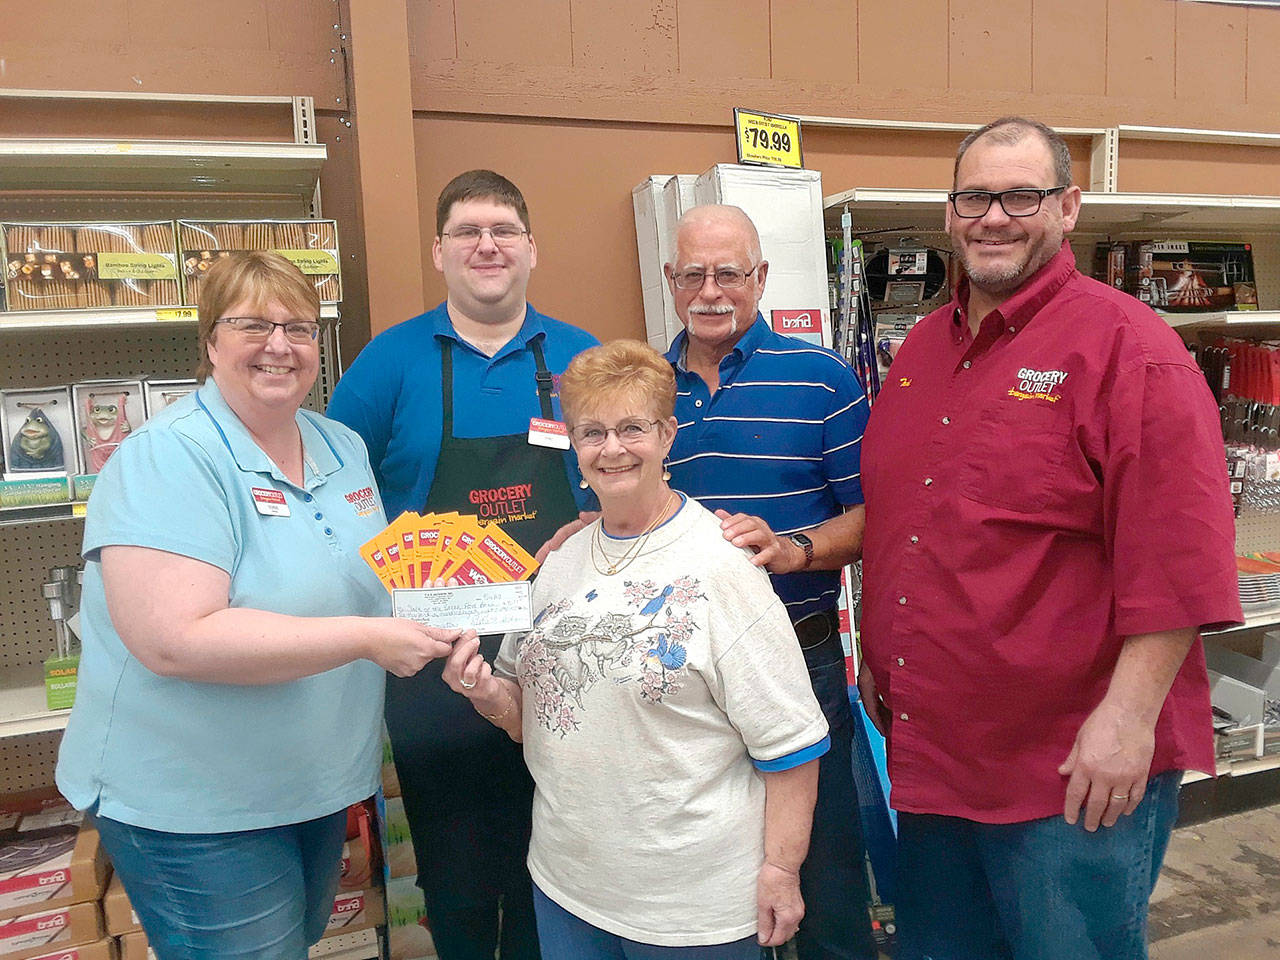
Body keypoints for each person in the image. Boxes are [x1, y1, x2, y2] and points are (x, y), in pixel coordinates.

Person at [856, 116, 1242, 960]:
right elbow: (909, 514)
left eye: (1021, 196)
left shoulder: (1131, 351)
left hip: (1069, 768)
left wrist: (1126, 721)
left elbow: (1181, 560)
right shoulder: (924, 348)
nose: (994, 217)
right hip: (936, 754)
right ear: (949, 213)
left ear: (1068, 207)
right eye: (974, 197)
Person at [55, 251, 459, 959]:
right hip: (196, 804)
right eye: (252, 325)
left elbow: (370, 572)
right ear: (211, 341)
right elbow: (176, 639)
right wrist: (367, 639)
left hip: (311, 785)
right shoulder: (168, 458)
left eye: (299, 327)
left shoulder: (341, 445)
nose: (280, 345)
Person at [442, 339, 830, 959]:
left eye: (632, 428)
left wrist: (782, 871)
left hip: (691, 910)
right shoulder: (559, 562)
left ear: (668, 435)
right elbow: (529, 723)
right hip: (567, 885)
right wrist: (484, 690)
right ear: (573, 444)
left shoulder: (721, 569)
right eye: (592, 432)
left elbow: (790, 743)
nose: (613, 449)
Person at [327, 170, 598, 959]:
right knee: (456, 870)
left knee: (554, 860)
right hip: (434, 662)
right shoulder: (388, 364)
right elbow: (335, 488)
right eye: (469, 231)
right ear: (440, 250)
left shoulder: (580, 358)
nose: (488, 245)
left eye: (504, 230)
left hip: (564, 653)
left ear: (531, 249)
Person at [664, 205, 879, 960]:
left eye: (730, 272)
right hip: (682, 681)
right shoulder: (647, 396)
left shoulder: (823, 380)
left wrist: (792, 549)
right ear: (670, 281)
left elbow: (874, 518)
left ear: (761, 277)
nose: (711, 290)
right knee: (711, 880)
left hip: (802, 663)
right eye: (694, 273)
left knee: (823, 879)